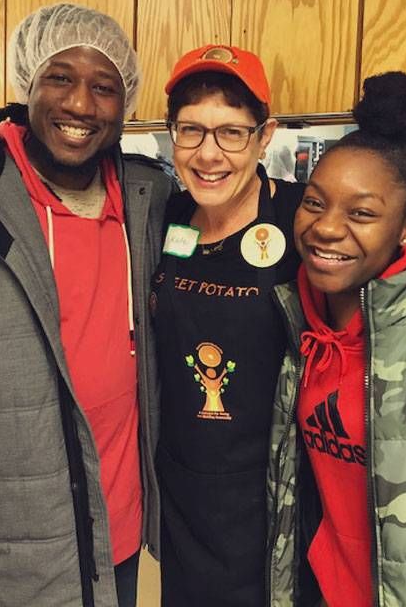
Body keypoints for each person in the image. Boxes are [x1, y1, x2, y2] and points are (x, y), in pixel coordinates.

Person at [0, 3, 175, 607]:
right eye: (60, 78)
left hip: (122, 538)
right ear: (27, 81)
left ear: (125, 102)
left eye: (104, 87)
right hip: (15, 557)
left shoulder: (145, 198)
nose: (81, 105)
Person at [268, 72, 406, 606]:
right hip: (321, 588)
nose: (326, 228)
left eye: (362, 213)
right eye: (315, 202)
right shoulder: (299, 318)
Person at [149, 44, 304, 606]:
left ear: (265, 137)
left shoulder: (303, 219)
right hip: (183, 495)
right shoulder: (164, 217)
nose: (208, 153)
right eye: (191, 130)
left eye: (231, 132)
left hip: (274, 500)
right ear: (172, 135)